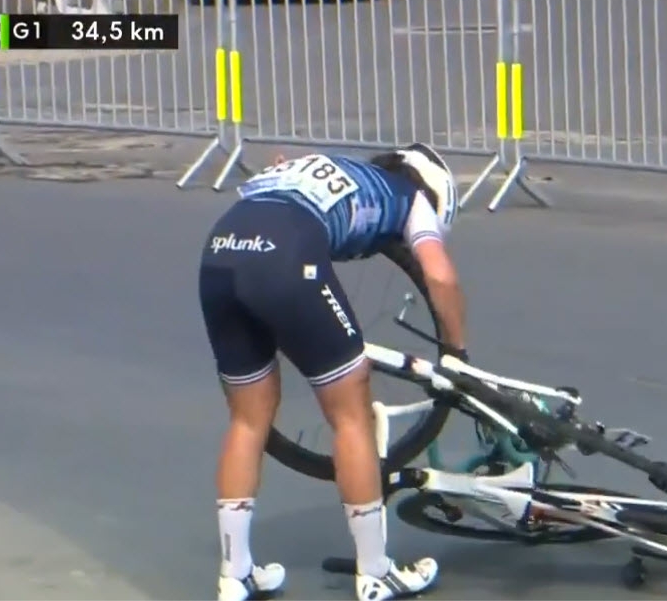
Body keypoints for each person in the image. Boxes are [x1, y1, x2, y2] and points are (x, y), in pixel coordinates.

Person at [197, 143, 467, 601]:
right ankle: (376, 573)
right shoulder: (411, 199)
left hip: (220, 252)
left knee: (248, 420)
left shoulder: (337, 169)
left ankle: (235, 574)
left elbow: (281, 171)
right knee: (351, 415)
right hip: (284, 258)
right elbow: (439, 276)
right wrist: (456, 352)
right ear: (433, 191)